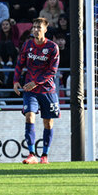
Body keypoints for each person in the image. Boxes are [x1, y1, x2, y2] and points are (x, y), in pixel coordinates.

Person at [13, 17, 60, 164]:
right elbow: (19, 64)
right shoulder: (27, 45)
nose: (35, 29)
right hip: (30, 90)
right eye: (34, 27)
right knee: (29, 116)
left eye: (39, 27)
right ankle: (31, 154)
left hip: (47, 90)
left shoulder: (53, 48)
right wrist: (15, 81)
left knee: (48, 123)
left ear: (45, 30)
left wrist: (36, 82)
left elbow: (52, 71)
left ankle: (44, 156)